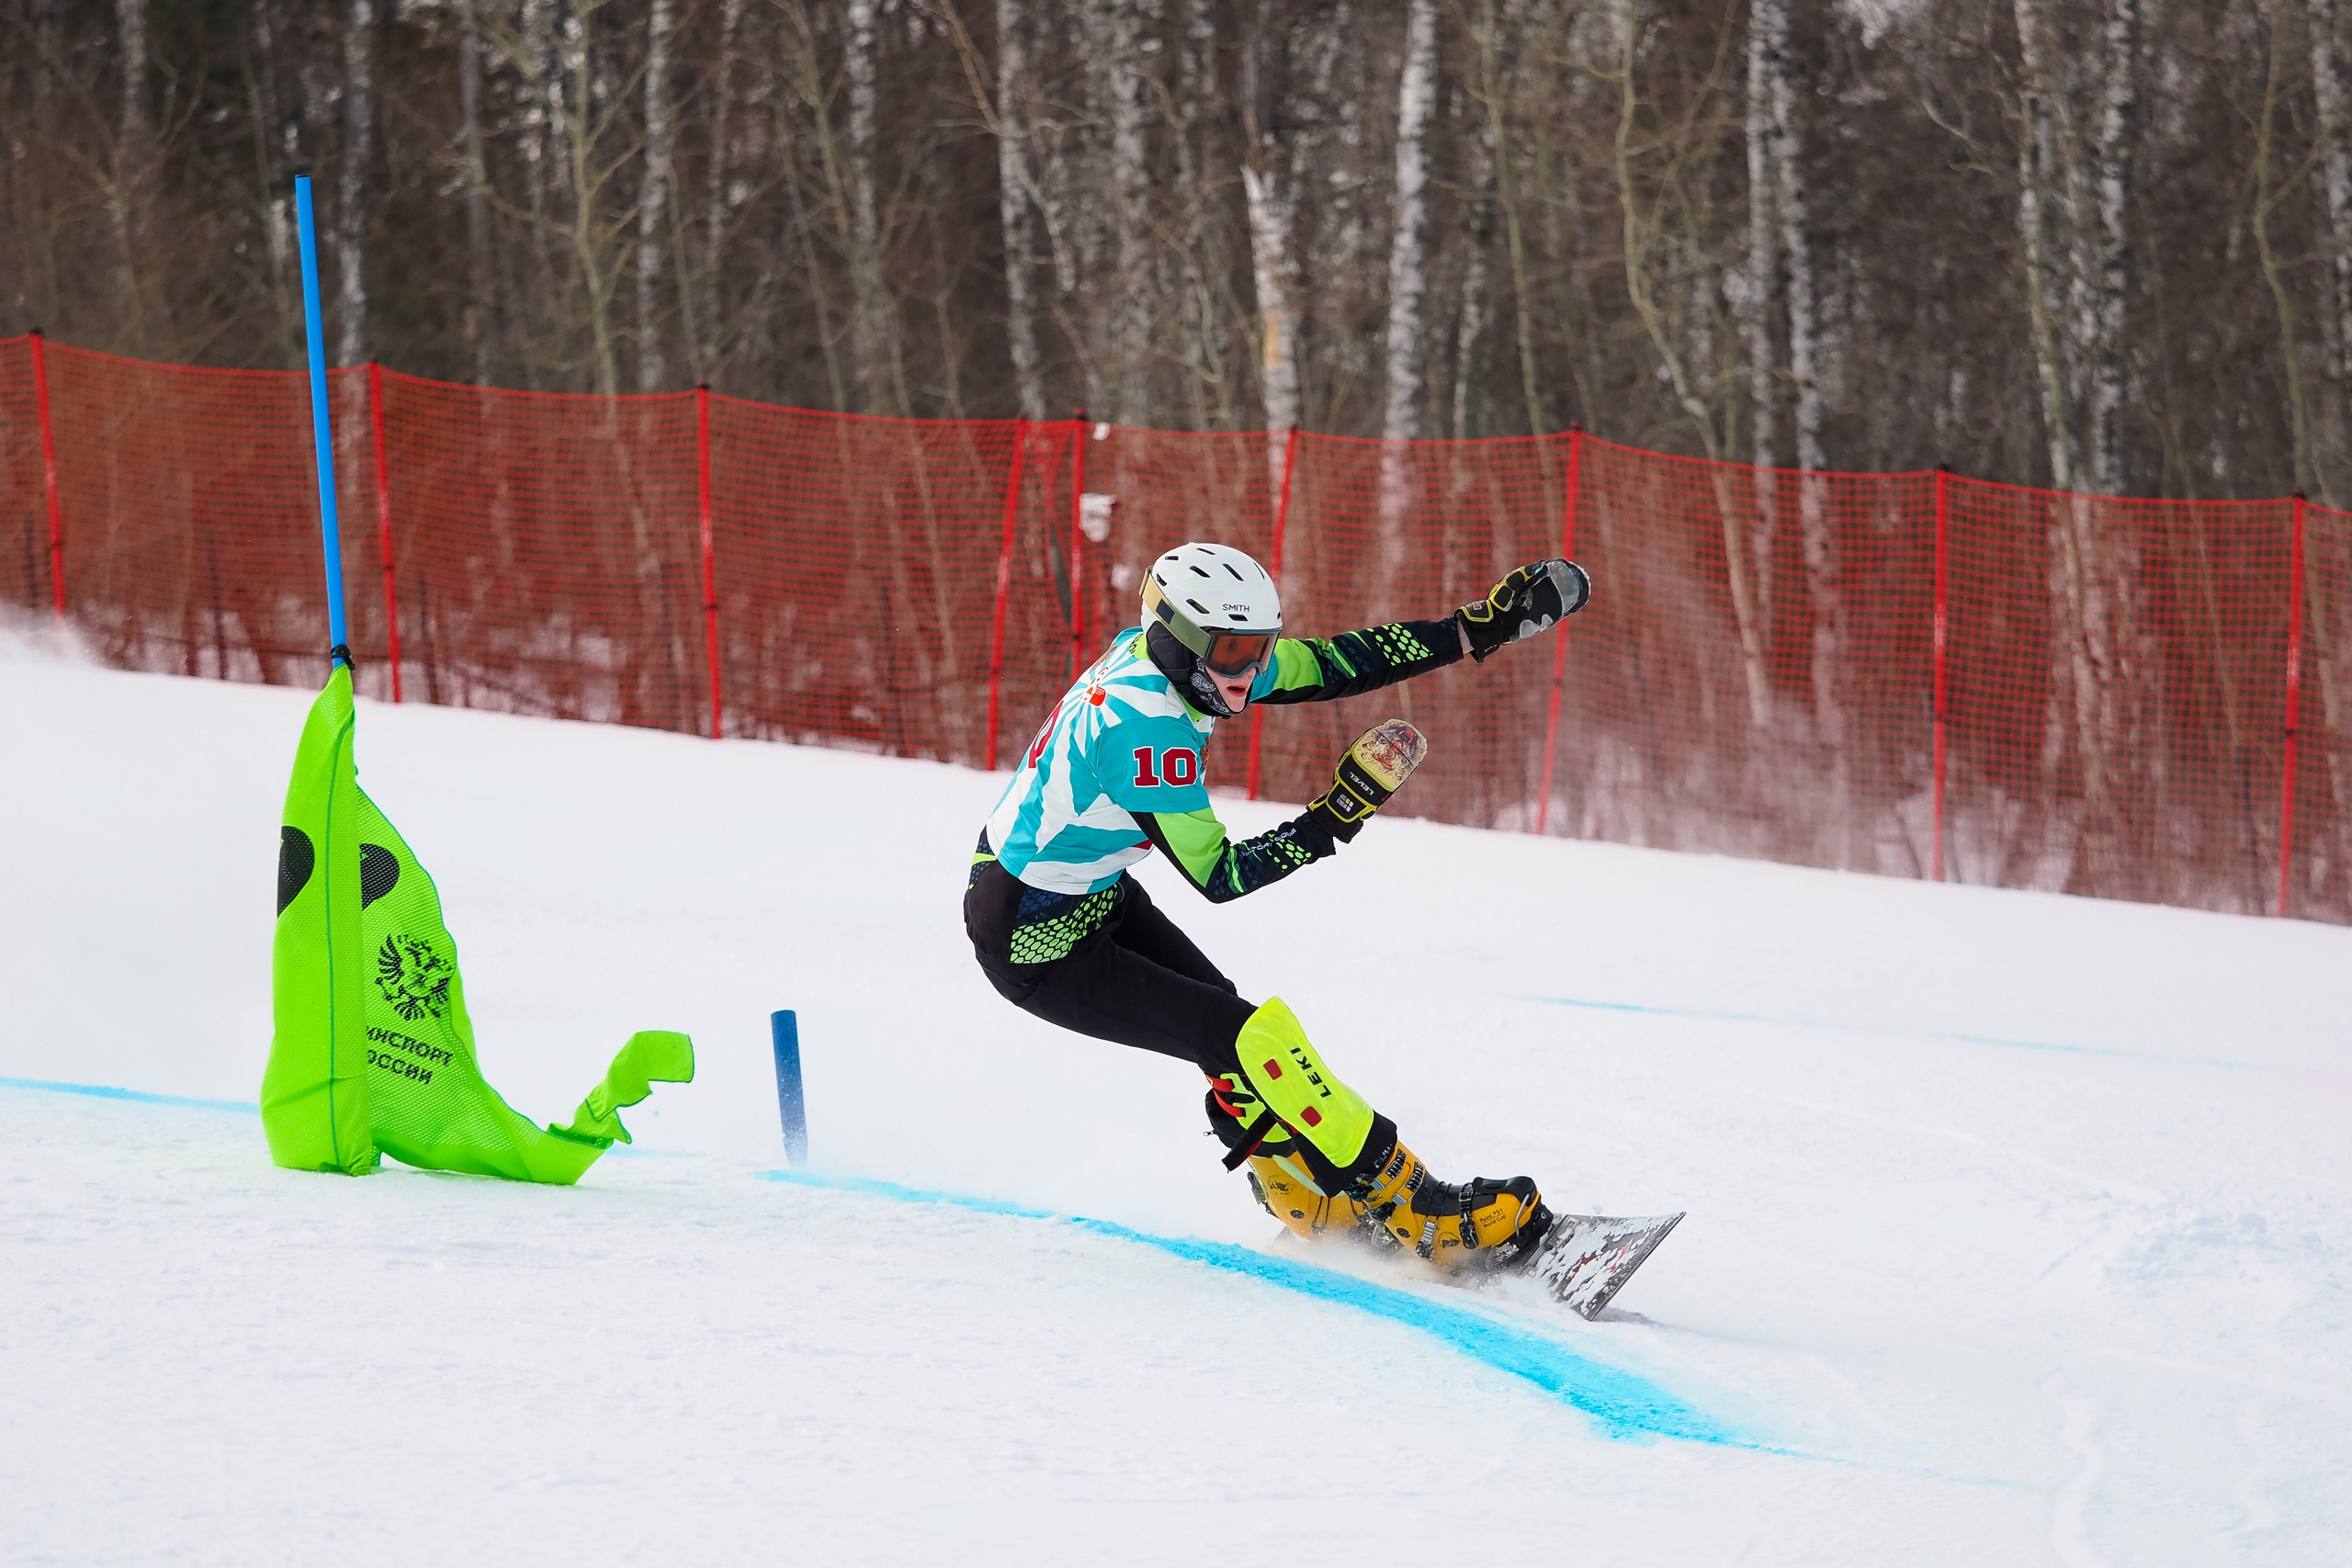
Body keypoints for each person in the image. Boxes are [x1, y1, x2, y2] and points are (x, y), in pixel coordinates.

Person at [965, 541, 1589, 1268]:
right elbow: (1220, 876)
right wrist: (1331, 820)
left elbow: (1331, 664)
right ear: (1179, 639)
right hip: (1034, 940)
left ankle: (1307, 1197)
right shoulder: (1142, 730)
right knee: (1249, 1036)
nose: (1251, 671)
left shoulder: (1175, 661)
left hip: (1075, 891)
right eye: (1233, 651)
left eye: (1259, 648)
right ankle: (1418, 1205)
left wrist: (1472, 628)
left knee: (1229, 1029)